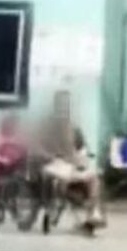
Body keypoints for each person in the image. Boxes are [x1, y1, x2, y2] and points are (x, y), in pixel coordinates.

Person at [39, 90, 105, 228]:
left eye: (66, 104)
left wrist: (83, 156)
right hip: (54, 164)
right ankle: (55, 208)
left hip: (71, 165)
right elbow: (38, 146)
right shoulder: (46, 125)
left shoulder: (73, 126)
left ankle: (93, 213)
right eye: (61, 104)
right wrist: (48, 155)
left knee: (93, 178)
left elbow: (82, 146)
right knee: (63, 179)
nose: (64, 108)